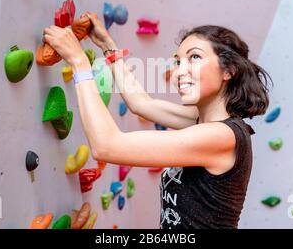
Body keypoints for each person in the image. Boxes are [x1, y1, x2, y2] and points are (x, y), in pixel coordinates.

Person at [43, 15, 272, 229]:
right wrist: (107, 47)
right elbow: (141, 103)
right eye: (178, 62)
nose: (180, 72)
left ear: (229, 70)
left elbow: (106, 146)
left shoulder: (221, 136)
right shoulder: (203, 123)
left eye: (194, 57)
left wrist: (79, 62)